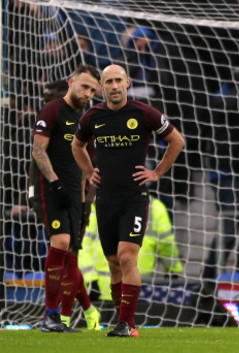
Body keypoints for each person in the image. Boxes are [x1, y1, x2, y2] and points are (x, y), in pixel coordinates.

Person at [71, 64, 185, 337]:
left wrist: (156, 172)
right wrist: (88, 172)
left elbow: (177, 140)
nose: (114, 86)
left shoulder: (144, 113)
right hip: (106, 198)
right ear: (102, 87)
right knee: (112, 261)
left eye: (118, 80)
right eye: (108, 81)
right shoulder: (93, 116)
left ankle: (128, 323)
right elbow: (76, 145)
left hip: (134, 197)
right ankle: (122, 322)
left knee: (126, 256)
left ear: (128, 82)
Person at [30, 65, 102, 332]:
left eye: (93, 90)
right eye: (84, 86)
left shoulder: (82, 118)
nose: (88, 93)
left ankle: (64, 317)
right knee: (60, 243)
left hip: (75, 192)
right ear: (72, 82)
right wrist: (55, 184)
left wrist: (86, 199)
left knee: (72, 255)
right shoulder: (52, 110)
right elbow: (38, 151)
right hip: (52, 189)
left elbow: (83, 162)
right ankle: (49, 315)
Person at [79, 196, 184, 301]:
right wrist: (174, 271)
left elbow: (82, 245)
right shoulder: (155, 207)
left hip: (105, 291)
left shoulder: (100, 203)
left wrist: (90, 280)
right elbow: (167, 245)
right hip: (137, 292)